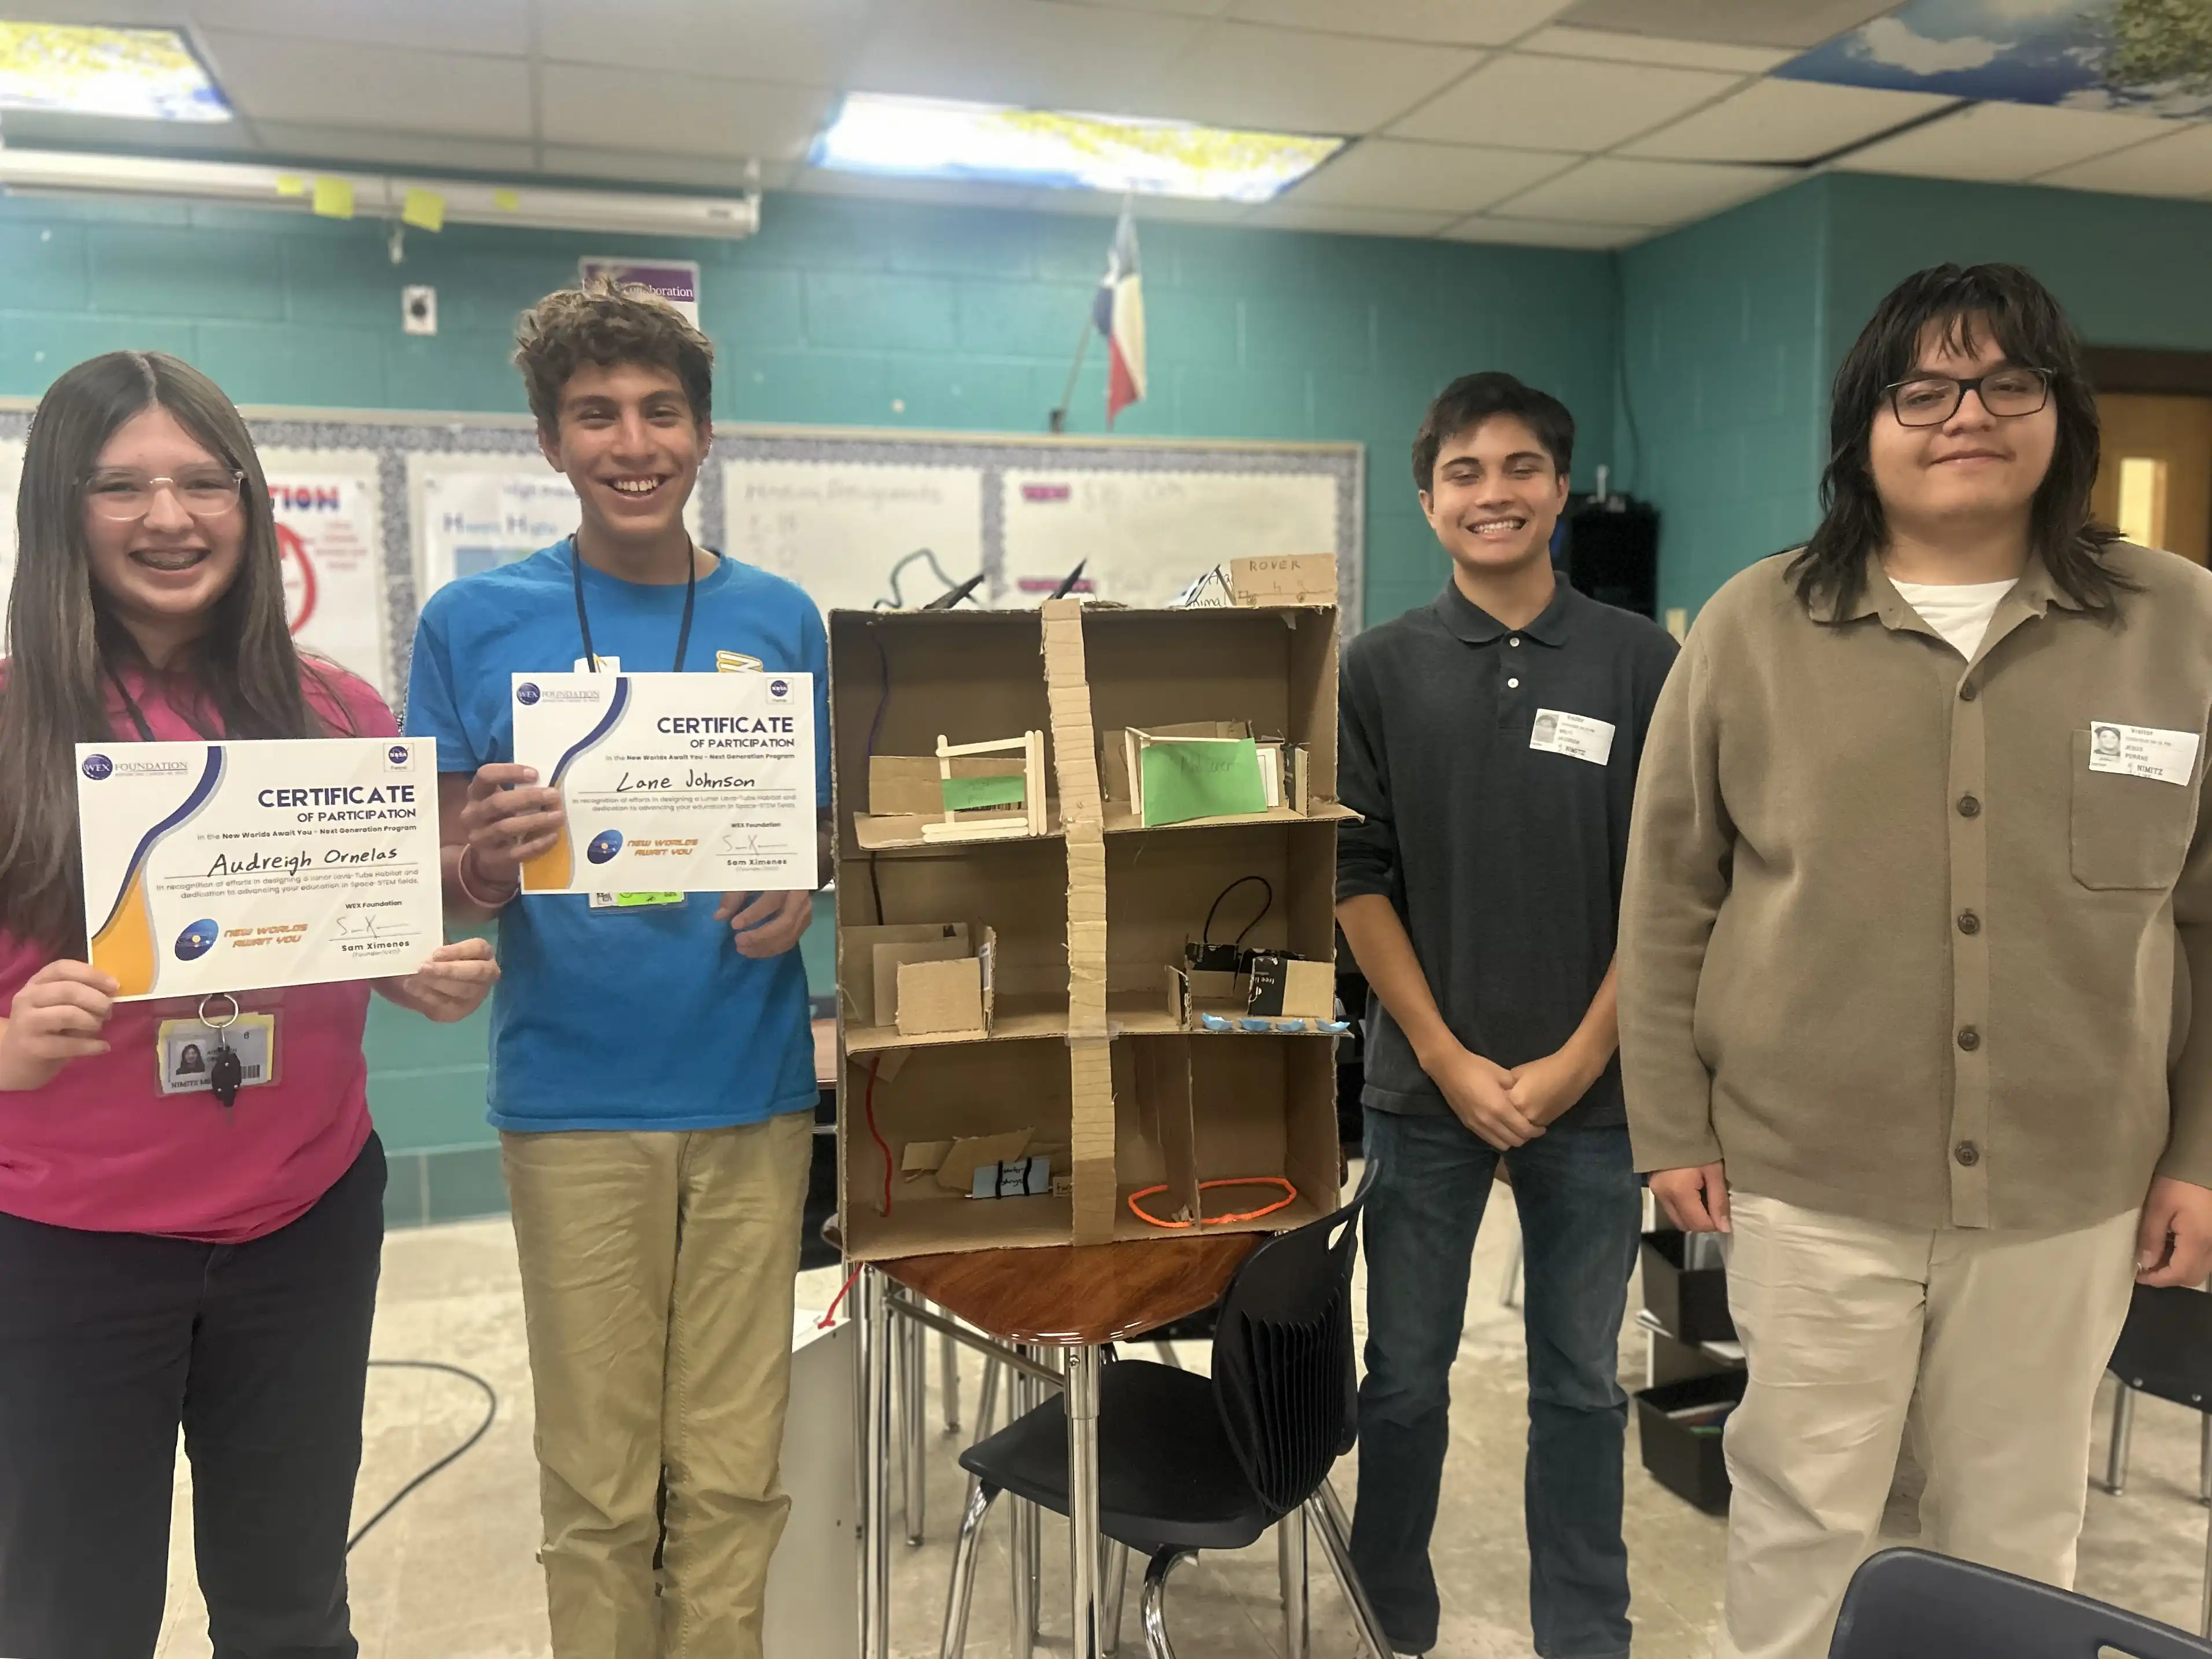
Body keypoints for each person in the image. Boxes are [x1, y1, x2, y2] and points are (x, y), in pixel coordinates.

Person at [1620, 262, 2212, 1659]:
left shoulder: (2179, 622)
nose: (1969, 415)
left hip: (2071, 1182)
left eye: (2009, 383)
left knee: (2014, 1532)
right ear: (1863, 426)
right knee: (1800, 1513)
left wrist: (2198, 1150)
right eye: (1925, 389)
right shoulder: (1753, 625)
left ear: (2062, 415)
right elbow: (1667, 897)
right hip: (1808, 1174)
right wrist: (1669, 1124)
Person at [0, 351, 497, 1659]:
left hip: (303, 1222)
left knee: (290, 1612)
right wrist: (5, 1048)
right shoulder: (7, 721)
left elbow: (364, 927)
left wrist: (411, 967)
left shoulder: (335, 710)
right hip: (65, 1248)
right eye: (121, 485)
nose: (170, 517)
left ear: (248, 500)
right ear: (61, 508)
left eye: (202, 481)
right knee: (71, 1621)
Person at [404, 279, 830, 1659]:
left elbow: (815, 829)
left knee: (733, 1473)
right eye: (595, 414)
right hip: (573, 1101)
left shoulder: (784, 619)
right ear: (550, 440)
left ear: (704, 433)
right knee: (597, 1489)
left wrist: (806, 872)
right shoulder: (471, 622)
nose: (631, 443)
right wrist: (485, 859)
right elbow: (441, 879)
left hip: (752, 1091)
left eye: (660, 412)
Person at [1337, 372, 1679, 1659]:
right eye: (1464, 472)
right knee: (1403, 1378)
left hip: (1594, 1097)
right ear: (1429, 502)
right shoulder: (1376, 669)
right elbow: (1354, 879)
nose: (1494, 493)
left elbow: (1669, 889)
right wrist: (1444, 1056)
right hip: (1423, 1091)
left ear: (1561, 489)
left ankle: (1585, 1635)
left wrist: (1581, 1058)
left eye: (1521, 466)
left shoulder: (1642, 663)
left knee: (1581, 1383)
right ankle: (1390, 1621)